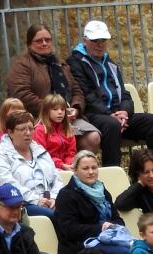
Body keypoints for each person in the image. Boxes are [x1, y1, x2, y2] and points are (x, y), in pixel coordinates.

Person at [66, 20, 153, 166]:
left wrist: (125, 112)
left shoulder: (110, 63)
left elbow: (124, 94)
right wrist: (110, 115)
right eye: (95, 41)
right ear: (85, 40)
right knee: (112, 125)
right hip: (92, 115)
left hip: (117, 116)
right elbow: (86, 96)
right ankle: (112, 174)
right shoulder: (75, 63)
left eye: (103, 40)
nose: (100, 44)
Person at [5, 23, 101, 155]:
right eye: (39, 41)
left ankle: (79, 166)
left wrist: (76, 108)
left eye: (47, 40)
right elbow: (21, 94)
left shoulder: (59, 63)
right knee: (48, 140)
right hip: (38, 117)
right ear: (29, 44)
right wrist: (51, 110)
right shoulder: (22, 65)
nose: (44, 43)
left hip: (67, 117)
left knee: (93, 137)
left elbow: (76, 90)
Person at [54, 150, 127, 254]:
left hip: (108, 238)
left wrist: (112, 226)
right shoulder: (66, 195)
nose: (91, 172)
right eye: (85, 168)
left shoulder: (102, 191)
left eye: (94, 168)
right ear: (75, 170)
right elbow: (69, 230)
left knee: (139, 248)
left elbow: (118, 219)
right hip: (80, 246)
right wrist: (101, 228)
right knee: (123, 253)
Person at [0, 110, 63, 218]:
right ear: (10, 132)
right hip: (22, 203)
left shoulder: (39, 149)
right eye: (22, 129)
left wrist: (54, 197)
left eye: (31, 128)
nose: (28, 133)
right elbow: (7, 182)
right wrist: (36, 200)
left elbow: (57, 178)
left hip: (50, 201)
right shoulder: (0, 153)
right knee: (58, 216)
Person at [32, 93, 76, 171]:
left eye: (62, 109)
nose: (60, 112)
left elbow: (71, 153)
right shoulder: (40, 130)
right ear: (46, 111)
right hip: (47, 167)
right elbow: (42, 155)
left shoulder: (68, 129)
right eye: (55, 109)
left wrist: (69, 164)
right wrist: (61, 165)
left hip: (66, 166)